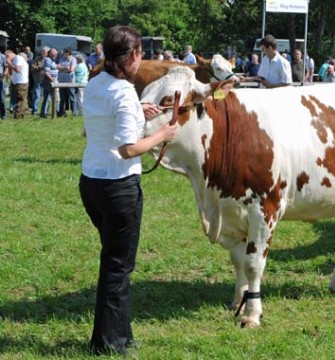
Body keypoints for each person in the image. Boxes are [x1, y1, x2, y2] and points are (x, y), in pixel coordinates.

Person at [80, 25, 177, 356]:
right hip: (118, 185)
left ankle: (115, 334)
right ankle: (110, 342)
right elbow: (128, 149)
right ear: (134, 55)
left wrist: (139, 112)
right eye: (140, 54)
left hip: (91, 181)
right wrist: (161, 136)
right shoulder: (122, 92)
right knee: (118, 266)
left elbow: (96, 127)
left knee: (113, 261)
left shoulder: (96, 85)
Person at [5, 50, 29, 119]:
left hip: (21, 82)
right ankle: (21, 114)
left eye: (7, 56)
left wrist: (9, 63)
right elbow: (12, 71)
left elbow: (17, 70)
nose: (7, 58)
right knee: (20, 99)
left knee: (20, 99)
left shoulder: (18, 58)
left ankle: (17, 115)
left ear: (11, 54)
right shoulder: (15, 59)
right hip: (18, 82)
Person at [56, 48, 77, 117]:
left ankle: (74, 113)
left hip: (69, 81)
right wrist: (65, 68)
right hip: (61, 81)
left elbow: (71, 70)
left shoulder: (73, 60)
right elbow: (57, 67)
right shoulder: (62, 59)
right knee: (62, 98)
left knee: (72, 97)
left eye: (65, 53)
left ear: (68, 53)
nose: (63, 54)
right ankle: (62, 112)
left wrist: (62, 68)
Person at [40, 48, 58, 118]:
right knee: (54, 97)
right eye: (55, 54)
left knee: (47, 98)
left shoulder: (52, 60)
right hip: (49, 81)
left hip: (48, 81)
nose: (56, 55)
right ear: (51, 54)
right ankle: (56, 113)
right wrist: (53, 81)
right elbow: (46, 72)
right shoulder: (48, 60)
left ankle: (43, 113)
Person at [30, 47, 48, 116]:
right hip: (38, 79)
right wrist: (38, 67)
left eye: (44, 52)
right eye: (42, 51)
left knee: (46, 96)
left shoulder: (48, 59)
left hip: (46, 80)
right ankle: (34, 110)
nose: (42, 53)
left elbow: (44, 67)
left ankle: (44, 111)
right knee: (37, 95)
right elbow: (32, 68)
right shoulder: (37, 58)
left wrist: (38, 67)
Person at [0, 50, 8, 120]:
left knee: (2, 98)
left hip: (1, 78)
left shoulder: (3, 57)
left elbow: (6, 67)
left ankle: (3, 115)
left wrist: (5, 73)